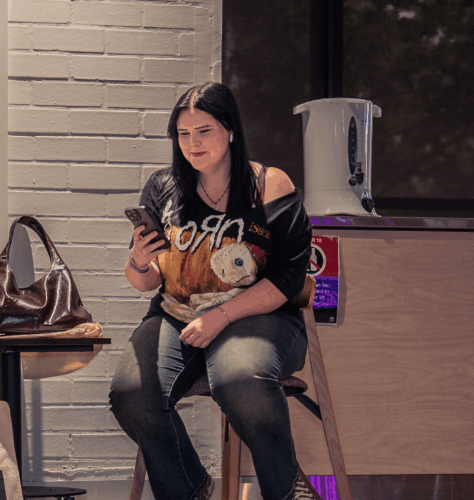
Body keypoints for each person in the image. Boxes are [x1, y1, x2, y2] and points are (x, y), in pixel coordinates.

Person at [109, 82, 323, 500]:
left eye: (203, 131)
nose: (193, 143)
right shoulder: (164, 188)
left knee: (238, 376)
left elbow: (287, 278)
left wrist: (222, 316)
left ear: (230, 130)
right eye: (184, 134)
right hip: (177, 314)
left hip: (262, 317)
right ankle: (190, 489)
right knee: (130, 393)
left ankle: (286, 489)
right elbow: (148, 280)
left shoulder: (270, 186)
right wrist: (137, 261)